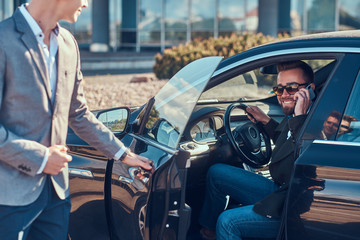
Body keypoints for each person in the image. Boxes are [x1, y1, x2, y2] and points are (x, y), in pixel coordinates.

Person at [0, 0, 152, 239]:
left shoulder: (69, 44)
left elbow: (78, 113)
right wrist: (41, 159)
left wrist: (124, 154)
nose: (87, 4)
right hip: (8, 197)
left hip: (56, 196)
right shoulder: (3, 40)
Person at [199, 60, 315, 240]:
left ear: (310, 88)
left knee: (227, 222)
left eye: (291, 88)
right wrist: (266, 121)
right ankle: (210, 232)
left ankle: (223, 232)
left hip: (294, 209)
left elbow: (305, 162)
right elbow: (286, 143)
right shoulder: (295, 114)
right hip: (281, 191)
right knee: (217, 173)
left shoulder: (316, 119)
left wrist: (300, 118)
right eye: (279, 89)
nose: (284, 94)